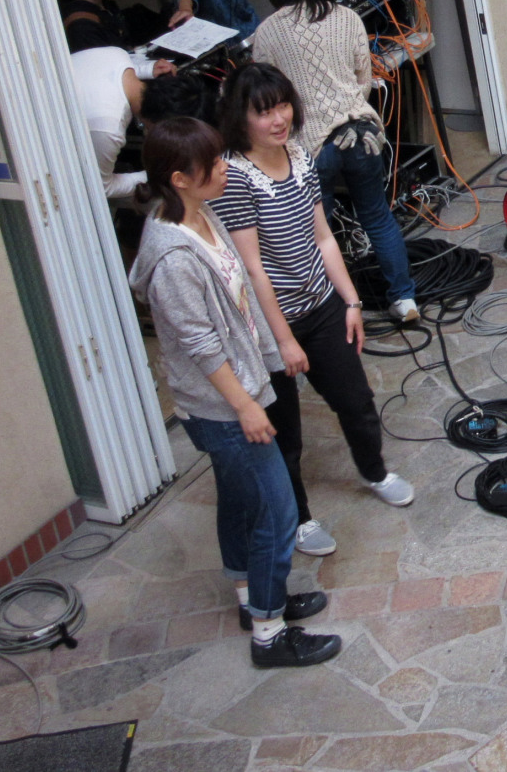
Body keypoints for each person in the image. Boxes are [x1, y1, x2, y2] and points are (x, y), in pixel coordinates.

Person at [127, 117, 341, 668]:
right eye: (213, 163)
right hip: (222, 409)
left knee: (242, 501)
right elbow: (201, 346)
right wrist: (246, 406)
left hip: (238, 394)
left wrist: (271, 355)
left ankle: (252, 600)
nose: (225, 168)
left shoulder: (202, 214)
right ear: (179, 178)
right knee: (277, 512)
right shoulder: (173, 258)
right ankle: (270, 634)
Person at [215, 63, 414, 559]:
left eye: (283, 105)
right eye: (264, 112)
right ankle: (299, 519)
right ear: (240, 118)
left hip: (322, 306)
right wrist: (282, 340)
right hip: (270, 325)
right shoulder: (234, 177)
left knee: (356, 401)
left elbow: (323, 237)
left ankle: (375, 472)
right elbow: (252, 270)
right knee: (284, 433)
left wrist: (351, 301)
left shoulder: (302, 157)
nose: (278, 119)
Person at [252, 0, 419, 325]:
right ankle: (404, 300)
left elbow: (266, 95)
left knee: (319, 233)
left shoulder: (268, 32)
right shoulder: (347, 17)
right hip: (361, 134)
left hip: (310, 147)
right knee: (377, 216)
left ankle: (336, 310)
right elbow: (363, 80)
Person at [70, 45, 148, 200]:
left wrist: (149, 69)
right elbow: (101, 188)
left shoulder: (117, 53)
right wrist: (153, 176)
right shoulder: (109, 127)